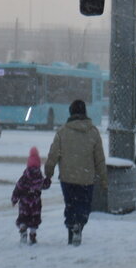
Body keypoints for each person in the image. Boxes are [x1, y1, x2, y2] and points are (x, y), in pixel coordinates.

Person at [45, 99, 107, 246]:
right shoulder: (93, 132)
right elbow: (100, 159)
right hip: (87, 178)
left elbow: (53, 155)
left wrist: (48, 173)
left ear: (70, 112)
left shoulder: (62, 132)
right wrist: (104, 180)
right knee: (83, 206)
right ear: (85, 112)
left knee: (70, 205)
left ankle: (72, 228)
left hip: (68, 178)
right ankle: (79, 225)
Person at [11, 146, 50, 245]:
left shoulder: (24, 177)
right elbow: (44, 185)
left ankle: (23, 229)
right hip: (35, 202)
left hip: (24, 202)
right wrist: (48, 180)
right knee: (34, 219)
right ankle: (32, 235)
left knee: (23, 218)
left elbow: (18, 188)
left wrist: (14, 199)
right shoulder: (39, 177)